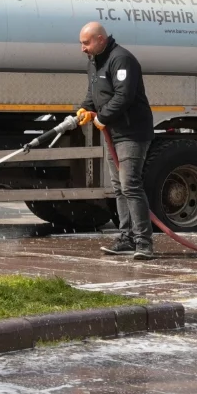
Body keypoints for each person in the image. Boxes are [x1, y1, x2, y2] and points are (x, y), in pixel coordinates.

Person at [75, 22, 155, 261]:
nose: (82, 48)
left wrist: (103, 117)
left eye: (86, 43)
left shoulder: (122, 59)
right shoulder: (95, 60)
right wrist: (85, 108)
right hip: (113, 133)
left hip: (131, 133)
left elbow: (124, 95)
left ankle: (144, 243)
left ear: (100, 39)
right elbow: (95, 92)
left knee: (130, 184)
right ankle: (126, 238)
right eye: (81, 43)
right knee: (118, 187)